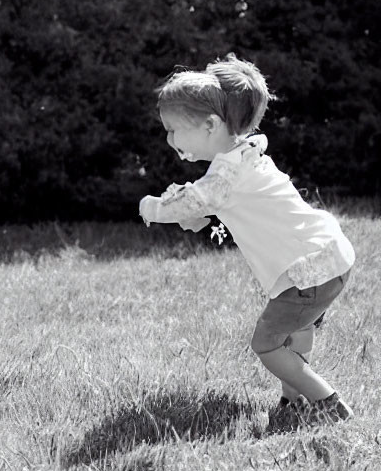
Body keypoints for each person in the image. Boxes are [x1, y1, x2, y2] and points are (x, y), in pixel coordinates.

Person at [139, 55, 355, 424]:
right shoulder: (246, 155)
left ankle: (328, 404)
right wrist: (198, 214)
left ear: (210, 124)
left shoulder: (225, 174)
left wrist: (152, 206)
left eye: (174, 129)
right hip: (329, 257)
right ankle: (293, 402)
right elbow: (212, 203)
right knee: (297, 327)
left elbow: (194, 201)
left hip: (307, 272)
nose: (168, 138)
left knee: (266, 344)